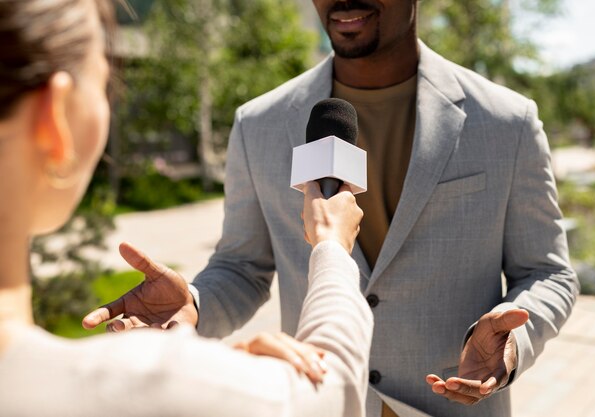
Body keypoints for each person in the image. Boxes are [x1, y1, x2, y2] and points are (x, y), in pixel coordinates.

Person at [84, 1, 579, 416]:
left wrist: (512, 340)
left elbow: (549, 272)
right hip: (317, 402)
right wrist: (197, 304)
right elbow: (243, 267)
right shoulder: (259, 123)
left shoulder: (507, 122)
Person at [0, 1, 374, 416]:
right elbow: (334, 388)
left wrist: (221, 374)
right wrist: (332, 247)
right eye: (107, 85)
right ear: (55, 117)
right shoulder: (155, 385)